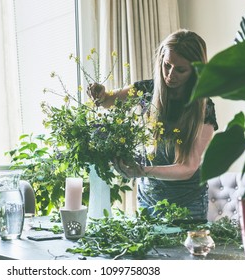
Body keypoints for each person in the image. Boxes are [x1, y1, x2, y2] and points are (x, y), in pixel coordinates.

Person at [88, 29, 218, 220]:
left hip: (188, 205)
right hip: (147, 200)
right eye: (167, 65)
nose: (170, 74)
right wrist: (99, 94)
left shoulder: (204, 107)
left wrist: (141, 171)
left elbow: (188, 168)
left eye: (180, 70)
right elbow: (108, 101)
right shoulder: (146, 90)